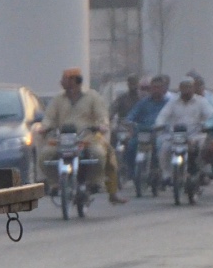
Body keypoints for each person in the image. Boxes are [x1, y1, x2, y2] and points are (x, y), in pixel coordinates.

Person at [37, 67, 125, 202]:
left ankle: (95, 182)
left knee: (99, 155)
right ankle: (55, 184)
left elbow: (102, 115)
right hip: (63, 139)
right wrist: (44, 127)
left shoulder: (92, 97)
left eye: (65, 80)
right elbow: (49, 117)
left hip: (87, 138)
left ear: (74, 81)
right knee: (45, 156)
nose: (62, 82)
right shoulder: (58, 99)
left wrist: (102, 125)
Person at [122, 75, 170, 183]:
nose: (156, 90)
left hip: (161, 134)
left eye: (158, 87)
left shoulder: (169, 103)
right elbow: (132, 115)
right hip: (143, 133)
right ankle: (132, 172)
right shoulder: (143, 102)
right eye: (153, 87)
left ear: (164, 89)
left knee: (161, 147)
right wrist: (128, 122)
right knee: (131, 146)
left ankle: (162, 172)